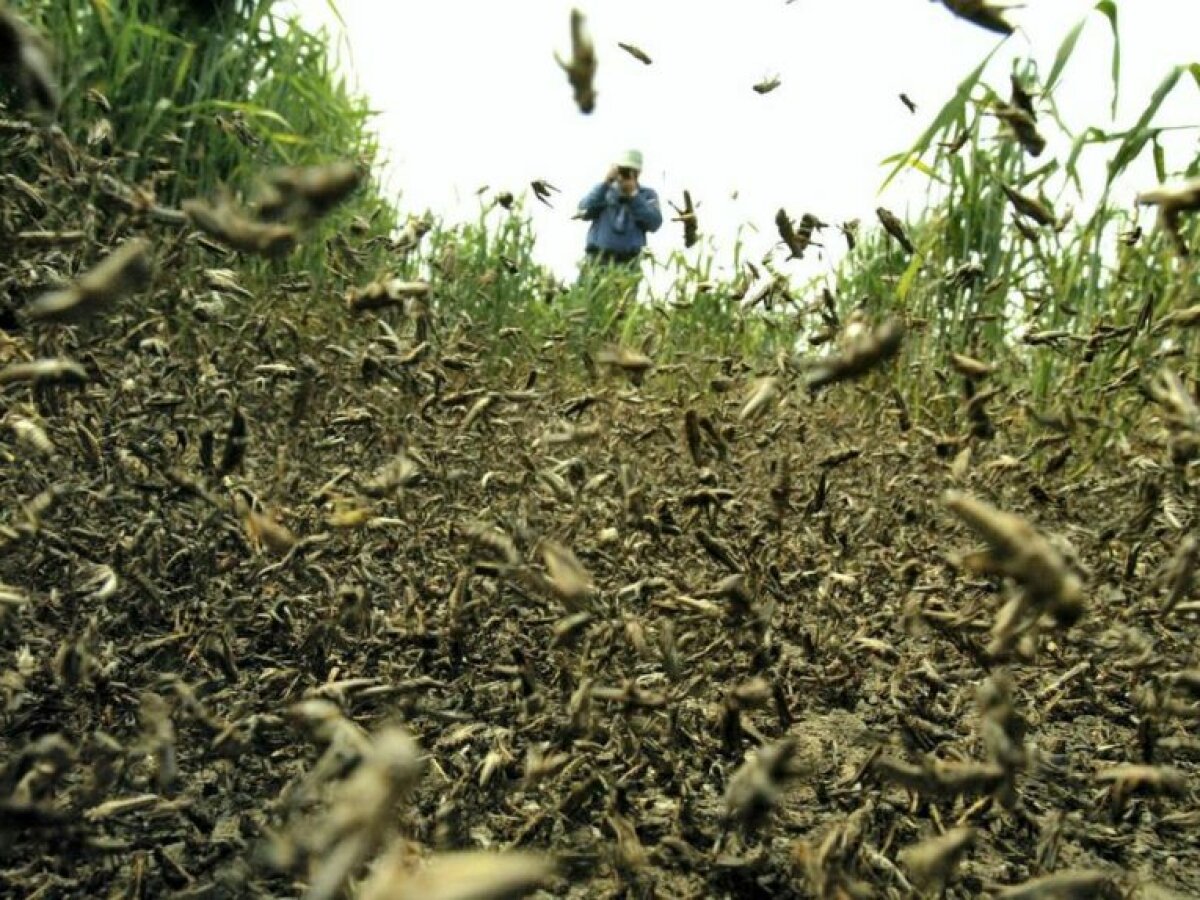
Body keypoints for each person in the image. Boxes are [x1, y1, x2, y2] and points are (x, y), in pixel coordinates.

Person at [576, 149, 663, 267]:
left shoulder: (647, 195)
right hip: (597, 261)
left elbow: (654, 223)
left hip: (628, 264)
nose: (626, 175)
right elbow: (583, 209)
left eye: (631, 172)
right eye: (623, 170)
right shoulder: (604, 191)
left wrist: (633, 196)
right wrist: (605, 183)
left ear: (639, 172)